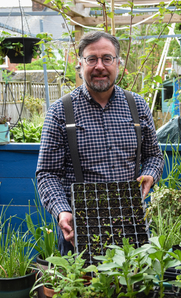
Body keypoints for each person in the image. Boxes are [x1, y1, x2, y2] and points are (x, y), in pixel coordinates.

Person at [36, 31, 164, 255]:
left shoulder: (138, 106)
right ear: (80, 64)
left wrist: (151, 175)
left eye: (107, 58)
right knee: (84, 287)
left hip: (130, 223)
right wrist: (62, 212)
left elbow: (154, 156)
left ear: (118, 63)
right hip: (80, 226)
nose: (99, 66)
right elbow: (47, 174)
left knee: (133, 287)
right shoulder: (60, 112)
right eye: (91, 59)